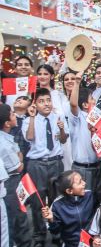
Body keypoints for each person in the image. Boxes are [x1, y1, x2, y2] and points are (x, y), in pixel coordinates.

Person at [22, 88, 68, 247]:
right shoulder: (29, 120)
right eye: (41, 101)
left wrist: (62, 128)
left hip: (55, 162)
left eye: (48, 100)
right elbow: (29, 137)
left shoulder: (58, 117)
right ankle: (39, 236)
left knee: (57, 199)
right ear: (35, 104)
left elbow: (63, 140)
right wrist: (33, 117)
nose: (46, 104)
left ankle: (56, 233)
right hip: (37, 164)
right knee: (38, 202)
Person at [0, 103, 31, 247]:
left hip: (12, 182)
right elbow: (18, 167)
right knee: (18, 218)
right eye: (12, 114)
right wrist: (20, 157)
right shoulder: (4, 144)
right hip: (10, 184)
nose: (15, 116)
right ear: (7, 123)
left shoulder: (6, 137)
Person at [68, 71, 101, 195]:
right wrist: (77, 82)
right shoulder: (78, 117)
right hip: (82, 168)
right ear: (85, 104)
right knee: (82, 199)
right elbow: (73, 104)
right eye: (92, 98)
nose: (95, 100)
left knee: (95, 200)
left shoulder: (98, 117)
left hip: (98, 167)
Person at [41, 171, 94, 247]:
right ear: (69, 191)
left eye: (82, 180)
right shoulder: (57, 205)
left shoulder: (89, 195)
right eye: (80, 182)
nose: (84, 183)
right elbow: (55, 231)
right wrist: (51, 220)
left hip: (91, 242)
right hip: (70, 244)